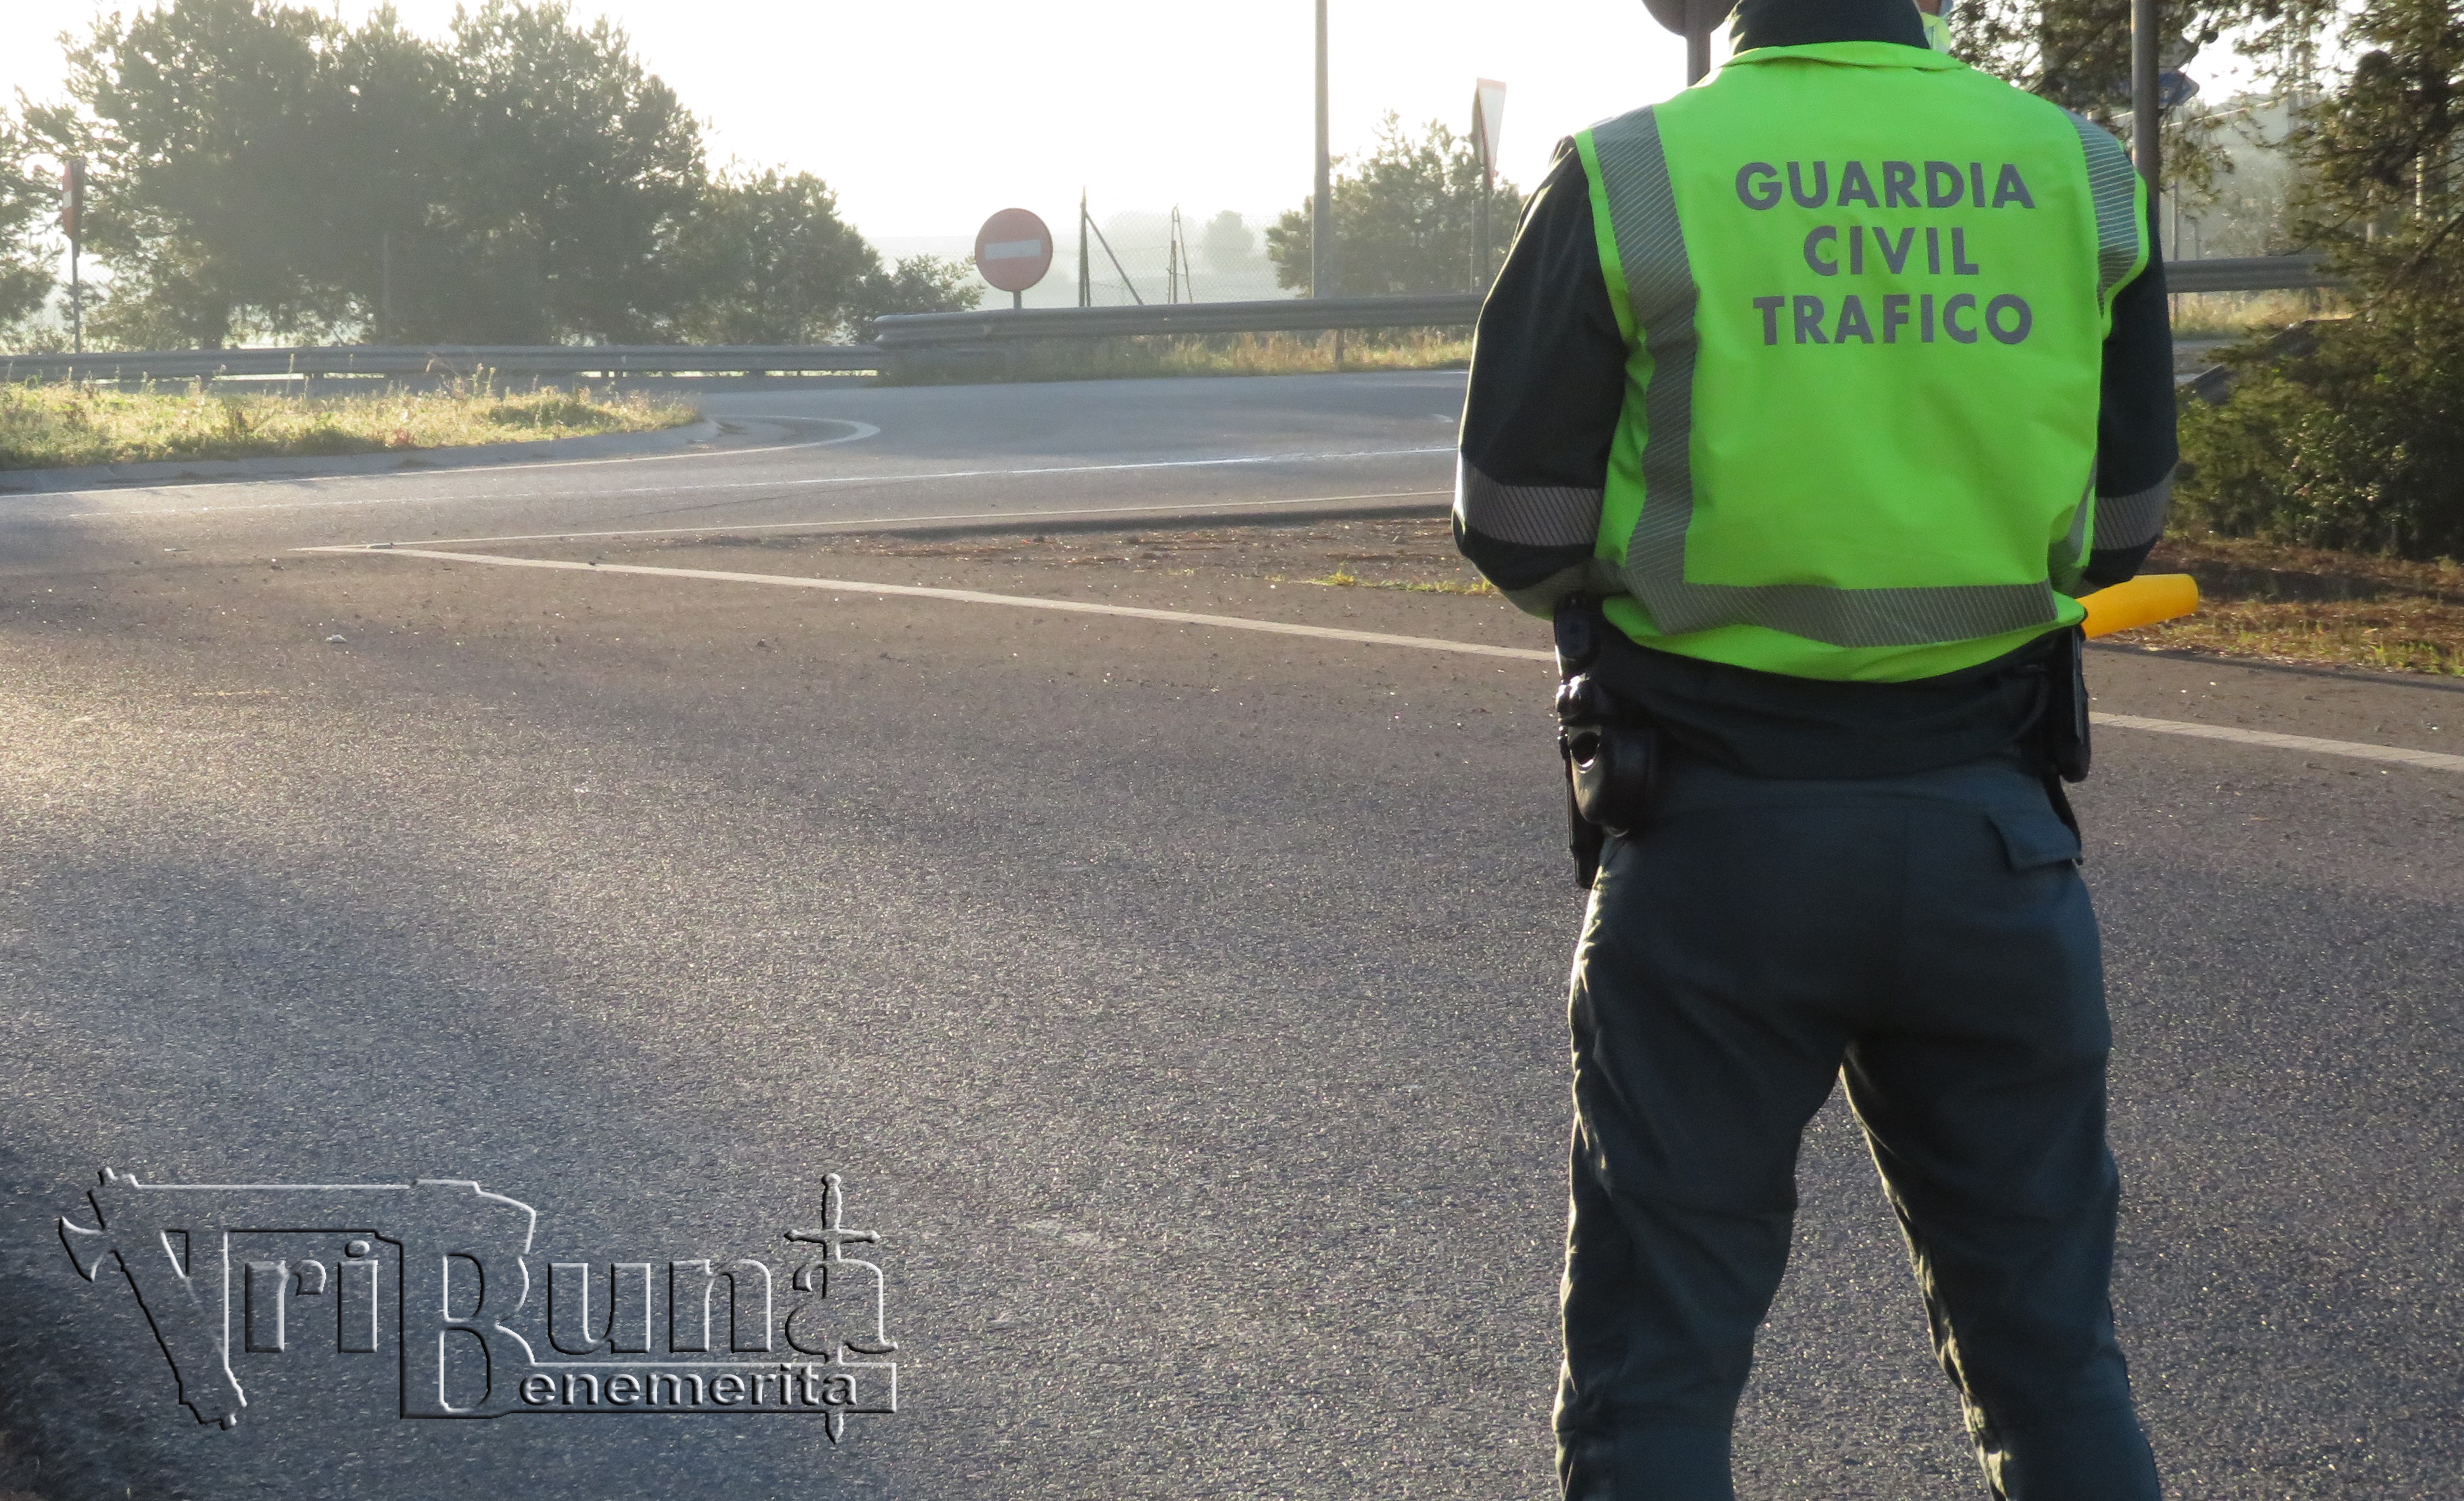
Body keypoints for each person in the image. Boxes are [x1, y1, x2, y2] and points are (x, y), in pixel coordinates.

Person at [1451, 0, 2178, 1497]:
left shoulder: (1632, 172)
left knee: (1657, 1376)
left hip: (1713, 841)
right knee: (2053, 1368)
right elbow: (2122, 529)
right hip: (1992, 837)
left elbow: (1514, 526)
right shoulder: (2082, 173)